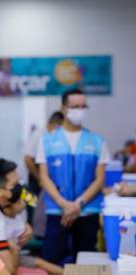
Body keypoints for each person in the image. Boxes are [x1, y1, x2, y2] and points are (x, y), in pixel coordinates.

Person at [36, 89, 110, 265]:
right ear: (63, 108)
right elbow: (44, 177)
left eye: (84, 106)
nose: (80, 110)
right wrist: (64, 205)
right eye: (75, 106)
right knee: (51, 261)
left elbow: (99, 179)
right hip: (57, 211)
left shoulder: (97, 141)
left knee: (86, 263)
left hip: (88, 211)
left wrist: (77, 205)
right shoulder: (47, 141)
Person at [0, 159, 63, 275]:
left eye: (19, 182)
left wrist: (26, 226)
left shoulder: (10, 201)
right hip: (9, 260)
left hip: (16, 255)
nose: (20, 189)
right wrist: (13, 248)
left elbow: (30, 203)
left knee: (42, 265)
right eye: (14, 185)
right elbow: (9, 269)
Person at [24, 111, 64, 196]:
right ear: (52, 124)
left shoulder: (55, 137)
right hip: (35, 178)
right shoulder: (38, 135)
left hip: (48, 178)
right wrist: (40, 179)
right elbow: (28, 159)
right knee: (34, 205)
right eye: (59, 128)